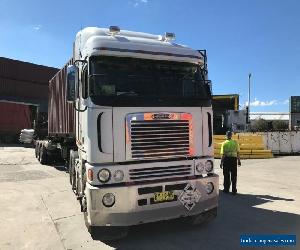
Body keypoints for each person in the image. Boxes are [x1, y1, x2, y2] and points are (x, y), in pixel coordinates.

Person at [220, 131, 241, 195]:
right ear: (231, 135)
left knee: (226, 175)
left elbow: (223, 155)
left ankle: (226, 189)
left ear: (226, 136)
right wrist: (239, 161)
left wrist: (221, 163)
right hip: (234, 160)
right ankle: (234, 190)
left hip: (227, 160)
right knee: (234, 175)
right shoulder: (235, 142)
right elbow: (238, 153)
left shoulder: (224, 143)